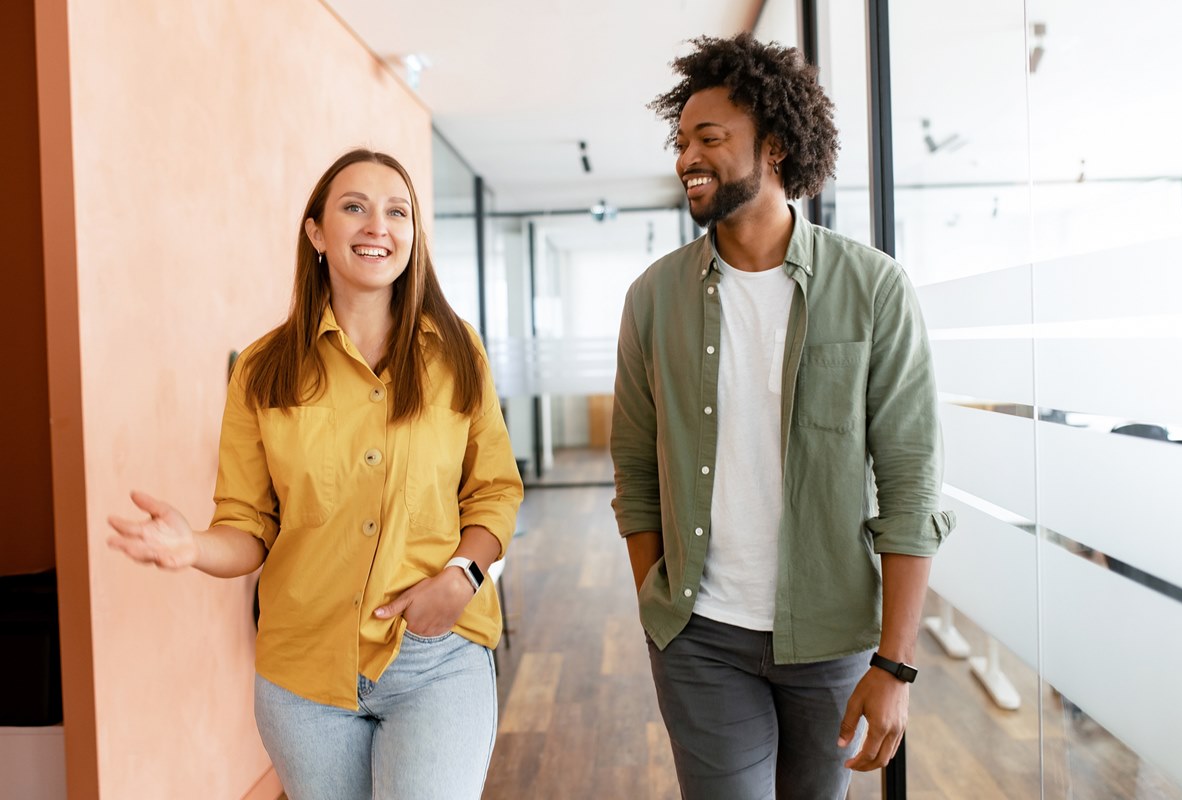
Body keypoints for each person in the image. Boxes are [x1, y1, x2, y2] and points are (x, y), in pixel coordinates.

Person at [107, 149, 523, 800]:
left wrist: (462, 576)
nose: (376, 226)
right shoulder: (264, 369)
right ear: (316, 232)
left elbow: (494, 490)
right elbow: (246, 527)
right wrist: (193, 547)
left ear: (413, 235)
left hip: (435, 657)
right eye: (353, 207)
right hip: (302, 676)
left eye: (396, 211)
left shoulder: (457, 352)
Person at [610, 34, 956, 799]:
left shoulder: (872, 288)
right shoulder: (653, 299)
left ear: (773, 146)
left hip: (831, 639)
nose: (685, 158)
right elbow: (635, 470)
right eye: (680, 141)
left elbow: (911, 483)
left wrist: (894, 664)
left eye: (709, 139)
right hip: (700, 638)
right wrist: (659, 609)